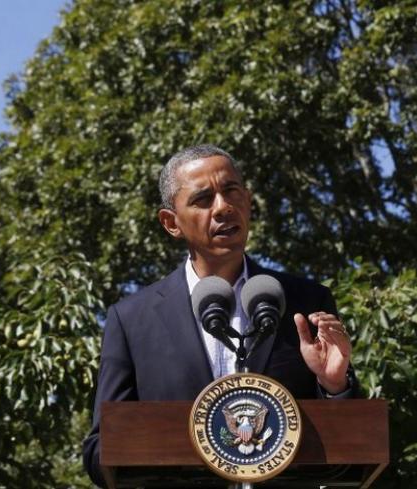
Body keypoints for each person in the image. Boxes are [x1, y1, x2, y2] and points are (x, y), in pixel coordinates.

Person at [83, 145, 357, 486]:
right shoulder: (132, 320)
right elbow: (99, 451)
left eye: (231, 192)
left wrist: (334, 386)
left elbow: (349, 457)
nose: (223, 207)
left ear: (249, 202)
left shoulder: (305, 301)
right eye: (203, 199)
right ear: (171, 223)